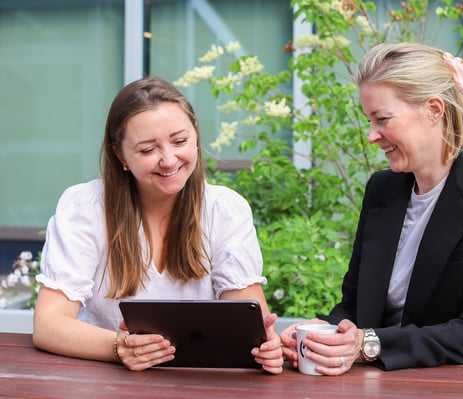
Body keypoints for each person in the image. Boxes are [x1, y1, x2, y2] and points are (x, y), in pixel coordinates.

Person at [280, 42, 463, 374]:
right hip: (373, 383)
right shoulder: (383, 189)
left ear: (434, 109)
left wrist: (366, 344)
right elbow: (354, 306)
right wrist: (323, 333)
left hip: (460, 385)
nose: (372, 136)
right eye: (369, 121)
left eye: (382, 119)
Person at [33, 76, 284, 373]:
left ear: (197, 137)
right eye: (147, 150)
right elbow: (48, 324)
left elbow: (249, 323)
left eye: (180, 141)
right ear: (120, 155)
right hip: (102, 382)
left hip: (199, 383)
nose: (168, 160)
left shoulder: (225, 209)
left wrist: (265, 347)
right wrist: (118, 347)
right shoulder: (85, 207)